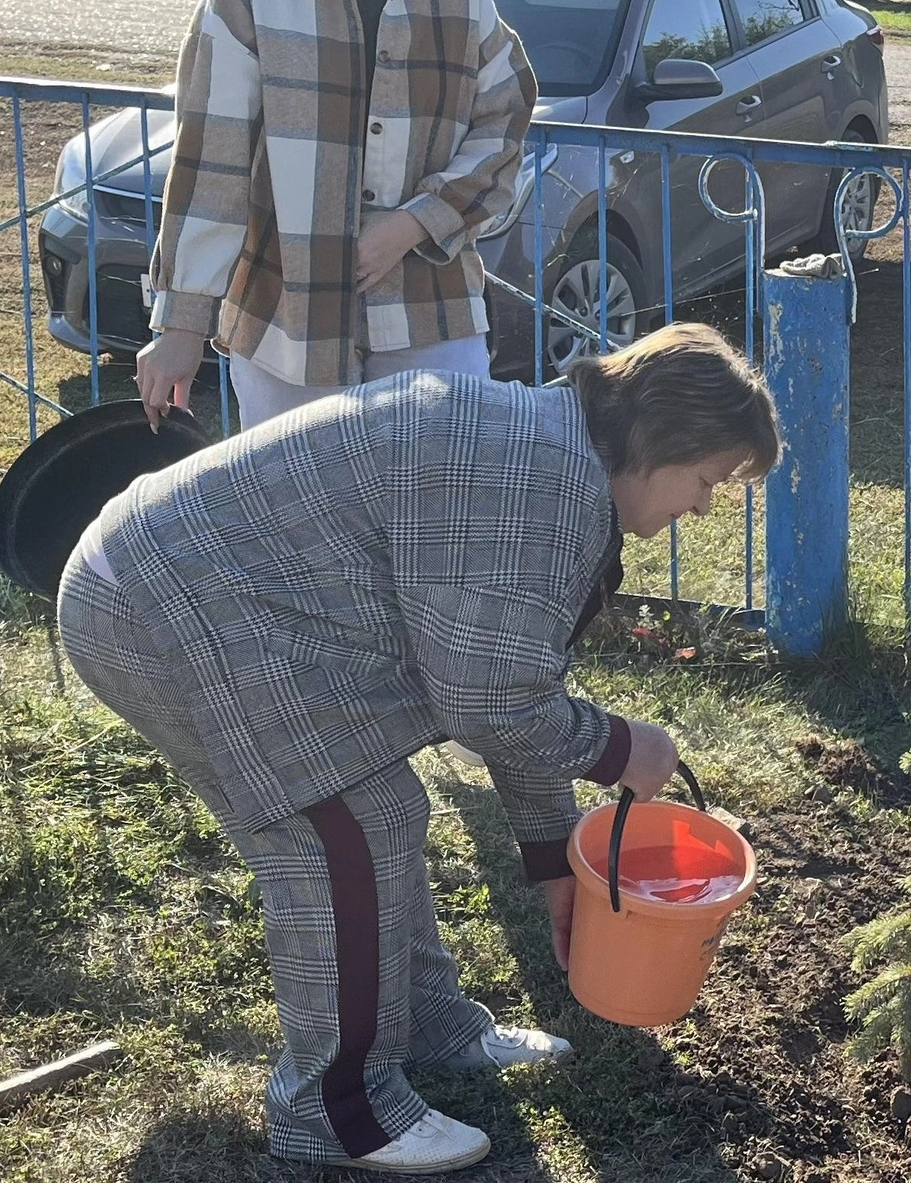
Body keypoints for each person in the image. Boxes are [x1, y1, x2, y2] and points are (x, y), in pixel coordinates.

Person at [59, 324, 779, 1173]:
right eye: (709, 481)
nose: (702, 507)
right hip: (168, 607)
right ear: (662, 443)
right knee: (346, 832)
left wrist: (554, 863)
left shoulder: (554, 453)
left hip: (197, 596)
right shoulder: (538, 486)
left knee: (378, 812)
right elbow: (489, 702)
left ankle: (433, 1028)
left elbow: (516, 683)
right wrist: (622, 749)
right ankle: (337, 1109)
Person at [134, 0, 536, 433]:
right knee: (302, 521)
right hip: (285, 324)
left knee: (436, 512)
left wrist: (414, 222)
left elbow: (505, 122)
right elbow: (213, 158)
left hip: (431, 311)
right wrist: (180, 321)